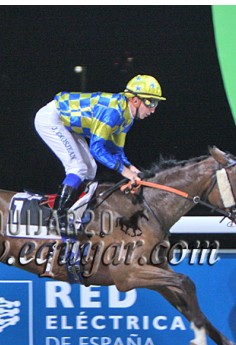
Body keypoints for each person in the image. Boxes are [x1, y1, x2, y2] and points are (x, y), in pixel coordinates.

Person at [34, 74, 166, 234]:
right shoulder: (112, 111)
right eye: (151, 102)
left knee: (90, 169)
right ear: (136, 100)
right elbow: (96, 149)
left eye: (156, 103)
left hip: (68, 124)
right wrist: (124, 171)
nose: (153, 109)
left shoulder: (127, 116)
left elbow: (116, 150)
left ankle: (75, 213)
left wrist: (131, 168)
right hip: (52, 119)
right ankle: (57, 218)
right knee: (77, 167)